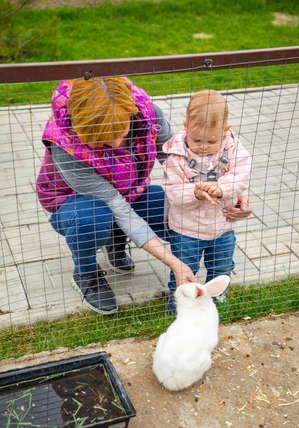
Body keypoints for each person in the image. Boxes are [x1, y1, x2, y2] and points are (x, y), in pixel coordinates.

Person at [36, 78, 252, 316]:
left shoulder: (147, 114)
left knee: (180, 214)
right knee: (93, 219)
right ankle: (86, 273)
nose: (117, 142)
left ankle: (116, 239)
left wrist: (232, 191)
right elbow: (116, 206)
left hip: (130, 192)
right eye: (104, 139)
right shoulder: (65, 144)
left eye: (120, 132)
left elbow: (177, 157)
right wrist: (173, 262)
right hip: (73, 203)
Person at [162, 89, 252, 314]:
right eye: (196, 139)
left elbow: (241, 175)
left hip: (223, 227)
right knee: (185, 268)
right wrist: (196, 192)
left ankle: (216, 295)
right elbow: (173, 191)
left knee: (222, 266)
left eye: (211, 140)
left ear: (225, 131)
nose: (202, 146)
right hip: (187, 229)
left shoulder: (232, 148)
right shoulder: (176, 156)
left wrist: (222, 188)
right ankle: (180, 303)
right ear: (185, 125)